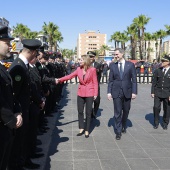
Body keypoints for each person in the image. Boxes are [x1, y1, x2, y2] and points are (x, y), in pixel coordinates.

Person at [8, 39, 42, 170]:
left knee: (24, 139)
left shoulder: (23, 64)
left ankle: (25, 161)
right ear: (32, 52)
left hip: (25, 109)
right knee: (19, 143)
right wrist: (18, 112)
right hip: (20, 112)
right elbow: (14, 94)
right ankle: (19, 164)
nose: (37, 56)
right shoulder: (18, 66)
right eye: (36, 53)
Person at [57, 55, 98, 138]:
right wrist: (59, 79)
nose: (79, 61)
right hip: (81, 93)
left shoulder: (92, 70)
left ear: (86, 60)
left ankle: (87, 130)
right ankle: (81, 128)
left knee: (88, 112)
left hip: (90, 93)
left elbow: (95, 82)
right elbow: (69, 76)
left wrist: (95, 93)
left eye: (81, 60)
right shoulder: (78, 69)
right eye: (79, 60)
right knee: (80, 111)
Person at [0, 26, 23, 170]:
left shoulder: (2, 67)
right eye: (6, 42)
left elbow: (10, 94)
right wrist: (11, 119)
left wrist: (18, 111)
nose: (10, 46)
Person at [107, 48, 137, 140]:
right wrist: (109, 92)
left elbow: (134, 80)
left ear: (122, 54)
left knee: (126, 110)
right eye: (114, 55)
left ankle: (124, 124)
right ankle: (118, 131)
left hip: (127, 91)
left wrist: (134, 92)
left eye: (117, 54)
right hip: (116, 92)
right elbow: (111, 80)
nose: (115, 56)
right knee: (117, 112)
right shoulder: (113, 65)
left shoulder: (130, 65)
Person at [151, 55, 170, 130]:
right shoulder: (158, 70)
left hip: (167, 93)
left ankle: (165, 123)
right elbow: (154, 82)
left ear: (168, 62)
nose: (162, 62)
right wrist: (152, 92)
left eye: (163, 61)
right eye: (161, 61)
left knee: (167, 109)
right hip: (158, 92)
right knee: (156, 107)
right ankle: (156, 122)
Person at [87, 51, 101, 119]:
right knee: (88, 101)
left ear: (94, 57)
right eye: (89, 56)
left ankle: (94, 112)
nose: (90, 58)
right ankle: (89, 113)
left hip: (95, 85)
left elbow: (99, 74)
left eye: (91, 57)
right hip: (87, 86)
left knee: (97, 101)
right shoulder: (85, 64)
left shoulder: (98, 65)